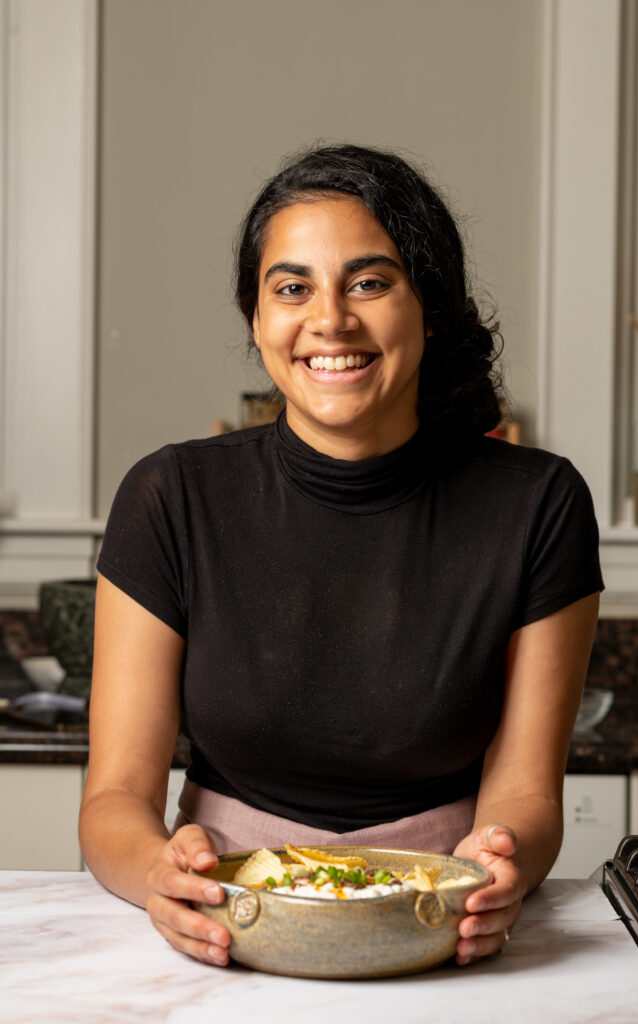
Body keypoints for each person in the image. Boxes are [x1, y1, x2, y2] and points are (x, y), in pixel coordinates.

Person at [79, 144, 603, 970]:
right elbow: (116, 799)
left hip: (440, 909)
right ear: (256, 321)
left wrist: (499, 868)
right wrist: (158, 874)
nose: (329, 318)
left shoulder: (537, 504)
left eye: (368, 282)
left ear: (427, 308)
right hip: (222, 916)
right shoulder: (170, 495)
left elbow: (526, 795)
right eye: (291, 287)